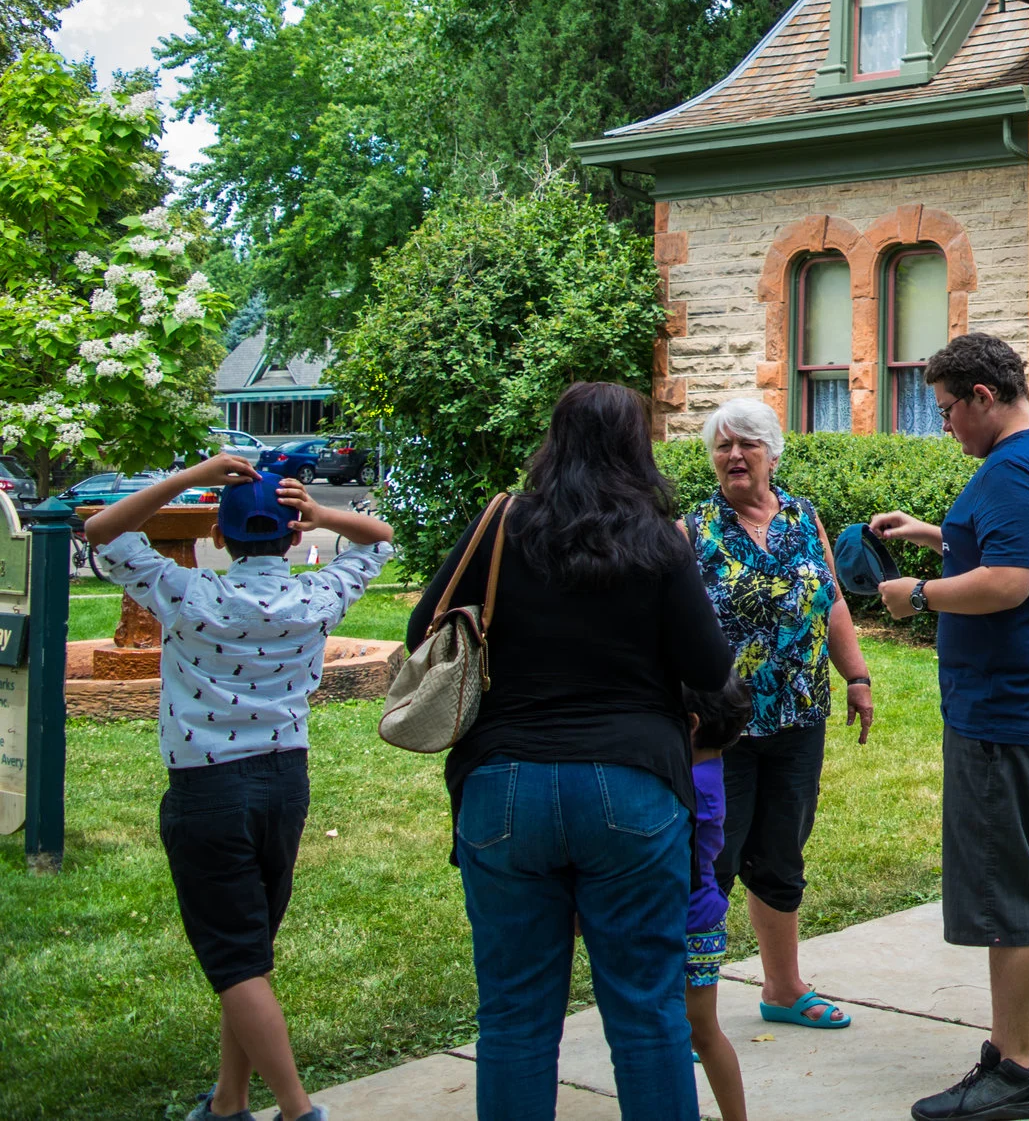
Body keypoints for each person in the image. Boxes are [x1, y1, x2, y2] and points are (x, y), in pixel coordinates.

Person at [412, 381, 735, 1121]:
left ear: (554, 440)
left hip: (503, 786)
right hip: (633, 787)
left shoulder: (503, 523)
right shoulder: (658, 540)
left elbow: (421, 630)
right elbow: (711, 668)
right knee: (648, 1014)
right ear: (636, 444)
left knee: (514, 1017)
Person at [86, 452, 393, 1121]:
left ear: (216, 537)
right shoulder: (315, 595)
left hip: (207, 791)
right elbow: (381, 538)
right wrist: (320, 512)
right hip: (285, 783)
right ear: (292, 536)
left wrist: (185, 479)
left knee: (234, 958)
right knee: (249, 952)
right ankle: (228, 1103)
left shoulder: (190, 593)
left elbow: (101, 531)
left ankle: (296, 1109)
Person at [868, 334, 1029, 1119]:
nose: (946, 426)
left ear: (982, 397)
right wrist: (936, 532)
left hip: (1005, 716)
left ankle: (1015, 1071)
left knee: (1005, 896)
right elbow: (1027, 547)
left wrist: (917, 593)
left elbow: (1008, 579)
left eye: (946, 410)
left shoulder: (1008, 471)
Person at [686, 396, 878, 1035]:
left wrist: (856, 676)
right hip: (720, 729)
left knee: (781, 852)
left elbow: (831, 603)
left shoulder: (804, 517)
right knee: (710, 859)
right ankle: (688, 1012)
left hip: (799, 715)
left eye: (748, 444)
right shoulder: (693, 530)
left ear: (772, 452)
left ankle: (783, 987)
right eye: (723, 446)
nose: (735, 456)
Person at [684, 677, 755, 1121]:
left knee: (691, 1032)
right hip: (703, 919)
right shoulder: (709, 772)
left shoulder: (688, 784)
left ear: (689, 726)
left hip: (685, 921)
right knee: (703, 1032)